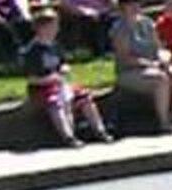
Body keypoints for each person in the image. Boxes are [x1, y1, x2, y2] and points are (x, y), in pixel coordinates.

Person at [111, 0, 172, 132]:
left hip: (154, 65)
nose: (135, 7)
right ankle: (164, 121)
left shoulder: (147, 23)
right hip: (130, 71)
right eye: (130, 4)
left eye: (136, 3)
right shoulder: (119, 29)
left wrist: (163, 58)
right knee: (161, 79)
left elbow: (159, 47)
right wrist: (149, 64)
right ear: (123, 7)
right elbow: (126, 58)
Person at [21, 9, 113, 147]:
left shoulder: (55, 46)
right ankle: (68, 137)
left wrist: (64, 68)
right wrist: (50, 79)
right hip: (42, 87)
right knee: (55, 103)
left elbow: (61, 63)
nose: (56, 29)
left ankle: (100, 131)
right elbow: (31, 79)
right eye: (53, 26)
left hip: (60, 83)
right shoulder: (32, 51)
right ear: (42, 28)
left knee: (85, 97)